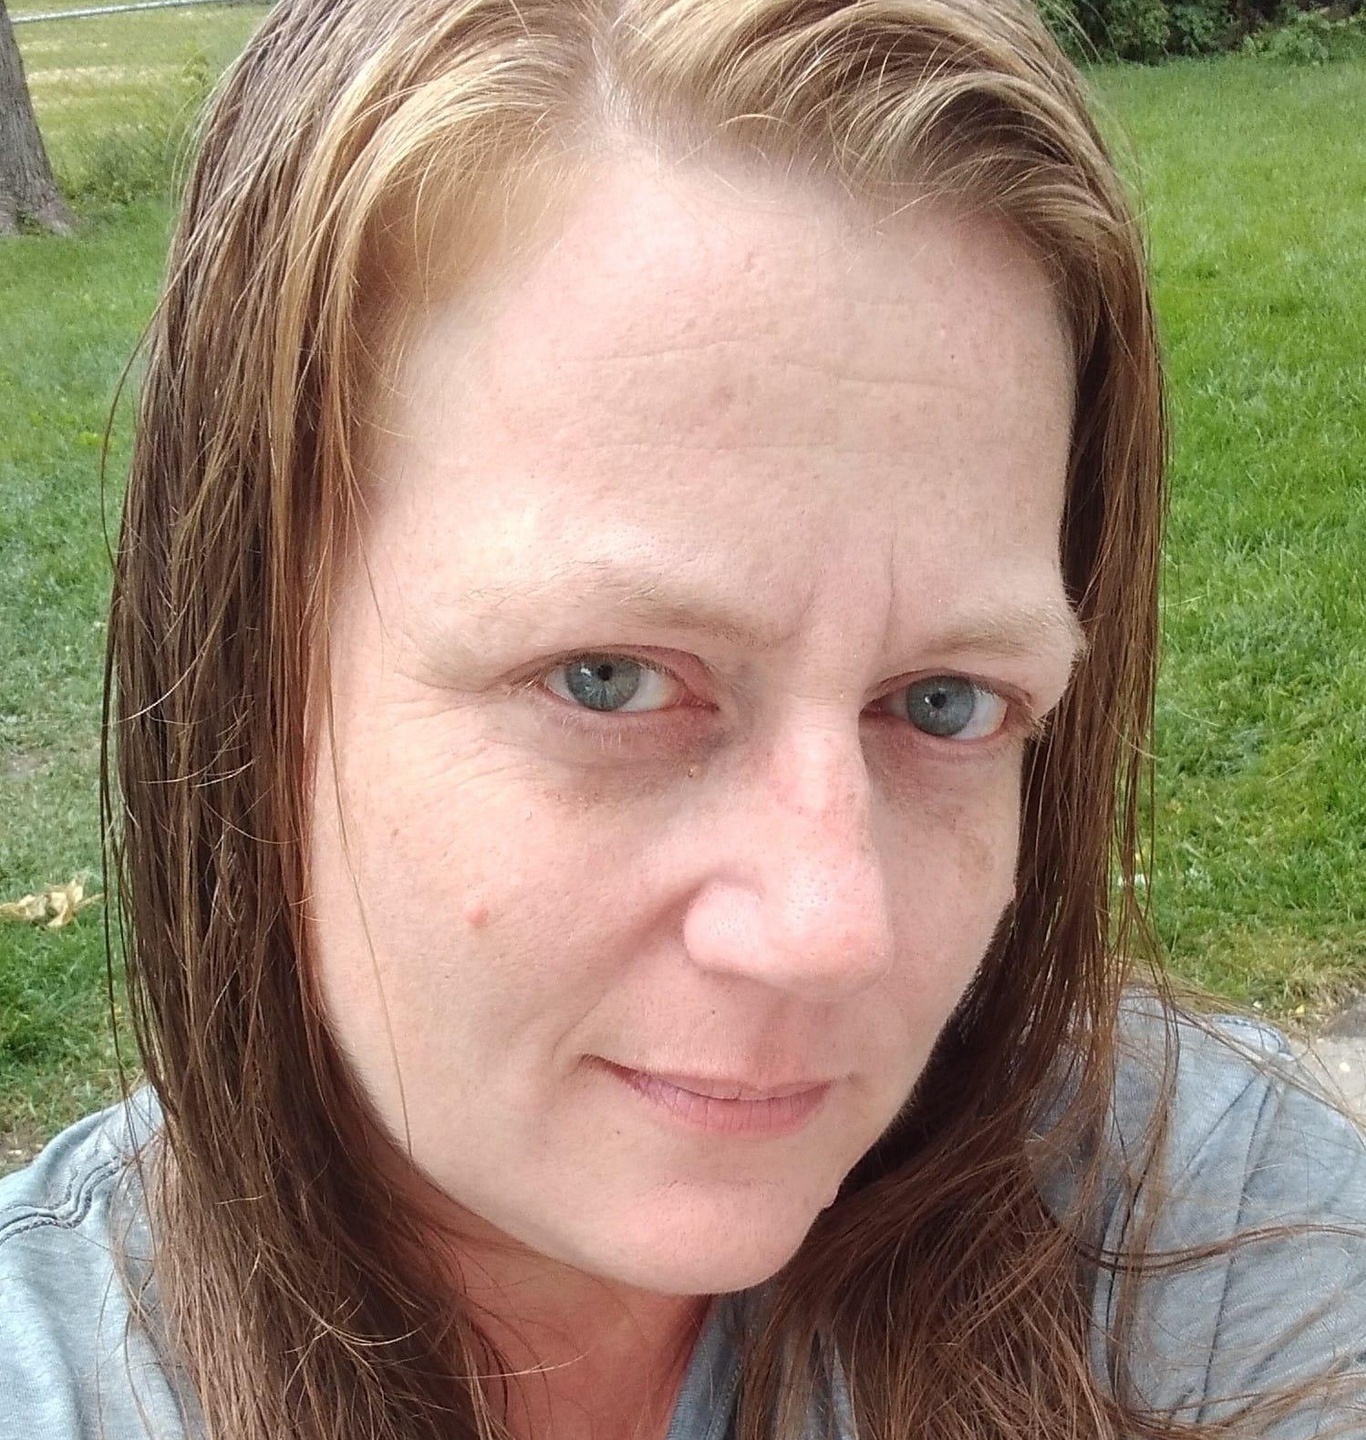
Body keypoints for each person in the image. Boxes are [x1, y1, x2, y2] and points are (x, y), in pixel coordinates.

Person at [2, 0, 1363, 1436]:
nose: (831, 929)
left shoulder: (1217, 1259)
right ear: (249, 661)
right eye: (611, 679)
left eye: (943, 703)